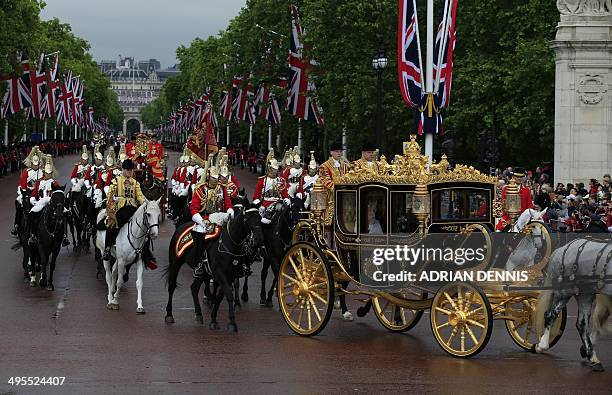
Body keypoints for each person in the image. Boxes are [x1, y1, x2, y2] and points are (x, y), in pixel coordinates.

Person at [103, 159, 157, 269]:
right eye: (127, 170)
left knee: (144, 227)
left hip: (132, 208)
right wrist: (116, 200)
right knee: (112, 223)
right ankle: (107, 248)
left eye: (131, 170)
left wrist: (146, 204)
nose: (129, 172)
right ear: (123, 170)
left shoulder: (135, 183)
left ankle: (146, 255)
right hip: (119, 208)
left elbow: (140, 196)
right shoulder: (116, 181)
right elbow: (110, 195)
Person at [190, 164, 234, 278]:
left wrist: (230, 212)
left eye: (217, 177)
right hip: (205, 219)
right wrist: (201, 222)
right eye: (213, 178)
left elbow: (228, 203)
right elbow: (193, 209)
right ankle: (199, 263)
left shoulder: (222, 188)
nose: (216, 180)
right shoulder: (200, 190)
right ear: (209, 177)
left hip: (221, 217)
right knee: (200, 234)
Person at [29, 155, 69, 246]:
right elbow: (34, 194)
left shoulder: (55, 183)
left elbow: (58, 195)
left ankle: (64, 236)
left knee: (64, 215)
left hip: (52, 203)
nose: (48, 175)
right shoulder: (39, 182)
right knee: (33, 214)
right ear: (44, 173)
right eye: (47, 173)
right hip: (41, 203)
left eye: (50, 173)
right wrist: (34, 201)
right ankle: (33, 235)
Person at [13, 146, 44, 236]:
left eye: (37, 164)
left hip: (38, 193)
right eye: (34, 164)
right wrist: (25, 191)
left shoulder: (42, 172)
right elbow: (23, 183)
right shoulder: (27, 171)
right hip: (26, 192)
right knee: (19, 203)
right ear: (31, 163)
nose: (35, 165)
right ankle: (16, 224)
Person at [253, 150, 290, 224]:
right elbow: (256, 197)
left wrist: (286, 199)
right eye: (274, 169)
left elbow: (285, 194)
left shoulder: (281, 181)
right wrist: (259, 205)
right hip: (265, 205)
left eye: (276, 169)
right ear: (269, 169)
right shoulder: (262, 180)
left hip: (279, 205)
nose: (276, 171)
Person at [496, 167, 535, 231]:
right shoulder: (506, 189)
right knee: (498, 232)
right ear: (513, 177)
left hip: (523, 219)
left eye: (521, 177)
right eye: (517, 176)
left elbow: (529, 206)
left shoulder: (527, 190)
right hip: (507, 218)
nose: (519, 178)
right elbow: (503, 204)